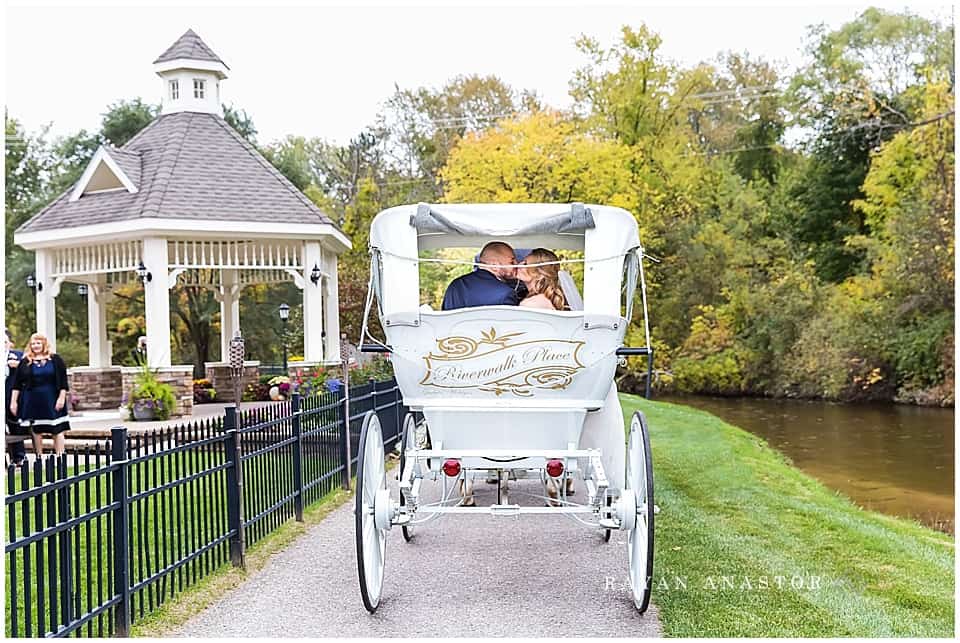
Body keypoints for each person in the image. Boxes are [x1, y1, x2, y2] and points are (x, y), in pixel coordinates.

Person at [10, 333, 71, 458]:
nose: (35, 346)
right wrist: (13, 402)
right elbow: (17, 384)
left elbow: (63, 382)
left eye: (38, 343)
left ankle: (60, 457)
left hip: (52, 398)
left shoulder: (55, 360)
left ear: (44, 344)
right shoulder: (26, 362)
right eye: (33, 343)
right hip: (32, 400)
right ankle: (39, 458)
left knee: (57, 429)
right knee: (36, 430)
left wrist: (61, 398)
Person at [442, 241, 520, 310]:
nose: (518, 265)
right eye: (512, 262)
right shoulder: (506, 293)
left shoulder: (455, 285)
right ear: (494, 265)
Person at [5, 330, 26, 467]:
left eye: (5, 342)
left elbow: (29, 372)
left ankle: (19, 457)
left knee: (15, 427)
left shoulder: (18, 356)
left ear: (10, 344)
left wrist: (18, 366)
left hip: (12, 398)